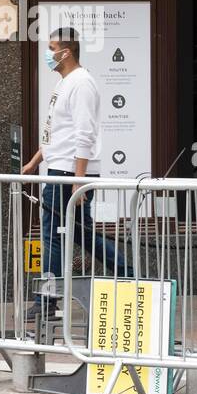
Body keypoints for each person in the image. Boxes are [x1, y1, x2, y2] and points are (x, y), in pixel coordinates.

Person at [20, 27, 133, 323]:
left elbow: (84, 134)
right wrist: (35, 161)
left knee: (53, 237)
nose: (49, 53)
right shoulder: (66, 82)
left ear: (66, 52)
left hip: (68, 172)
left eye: (52, 47)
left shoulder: (81, 84)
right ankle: (129, 276)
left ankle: (46, 301)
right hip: (60, 169)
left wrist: (77, 180)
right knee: (81, 234)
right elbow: (57, 132)